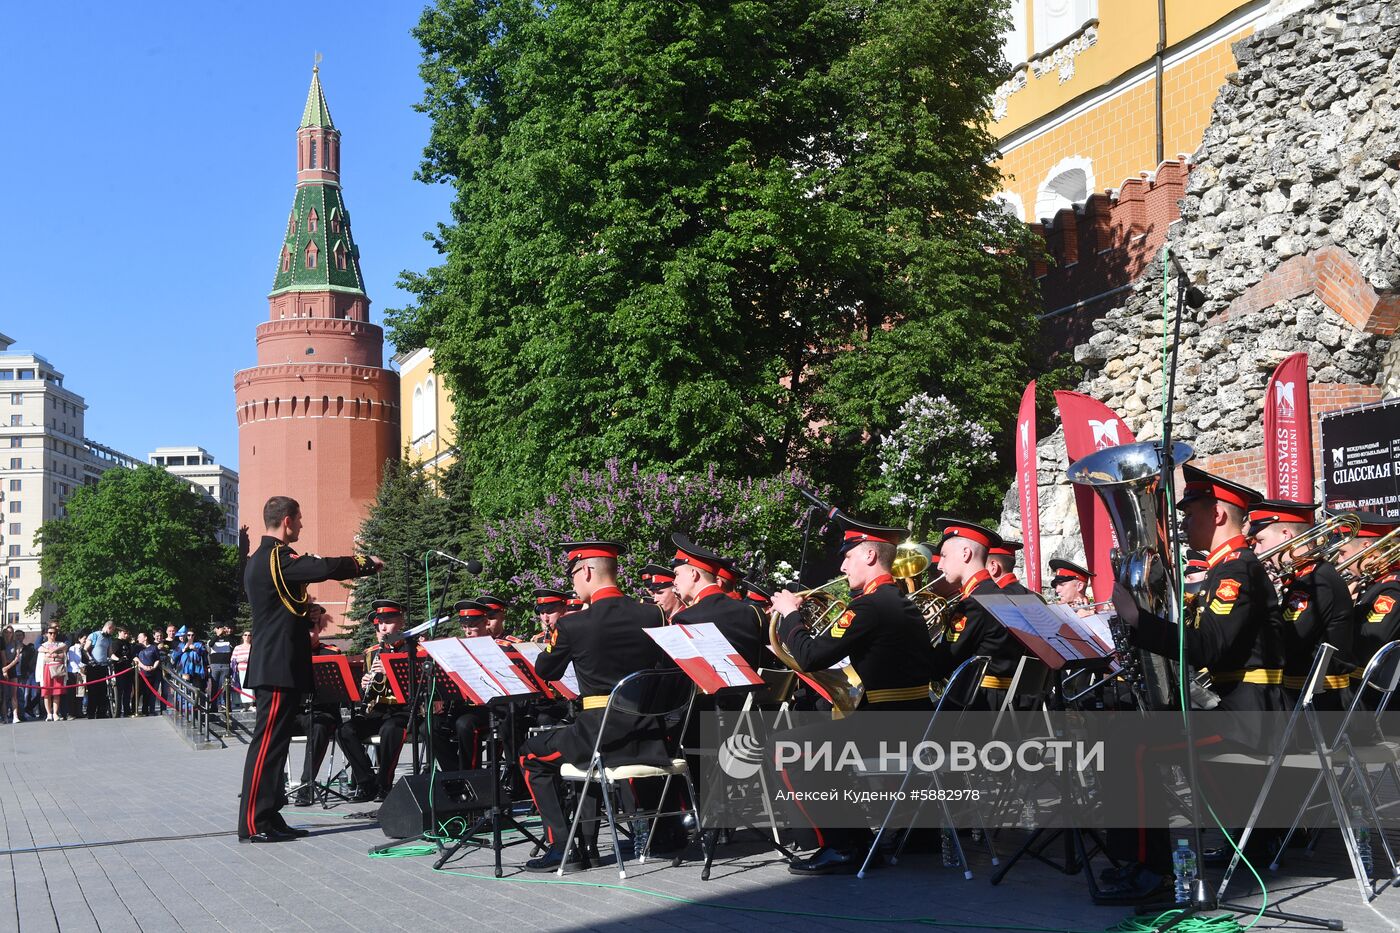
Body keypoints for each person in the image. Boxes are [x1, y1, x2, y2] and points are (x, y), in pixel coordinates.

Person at [1101, 466, 1287, 903]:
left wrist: (1137, 619)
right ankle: (1140, 860)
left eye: (1190, 514)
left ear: (1219, 516)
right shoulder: (1227, 570)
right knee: (1127, 733)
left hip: (1248, 716)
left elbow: (1207, 648)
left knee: (1133, 745)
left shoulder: (1237, 571)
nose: (1182, 525)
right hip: (1236, 707)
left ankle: (1150, 870)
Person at [768, 516, 939, 875]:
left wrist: (790, 616)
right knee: (818, 741)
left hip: (888, 727)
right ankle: (855, 840)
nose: (842, 566)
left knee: (790, 748)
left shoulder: (870, 607)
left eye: (848, 557)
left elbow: (811, 656)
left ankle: (844, 846)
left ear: (871, 558)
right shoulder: (901, 602)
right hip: (912, 721)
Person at [518, 540, 670, 872]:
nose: (572, 582)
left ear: (586, 570)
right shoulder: (653, 613)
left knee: (530, 755)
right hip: (650, 736)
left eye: (573, 574)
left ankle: (564, 847)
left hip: (601, 736)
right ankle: (586, 842)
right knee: (574, 749)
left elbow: (546, 671)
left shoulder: (573, 625)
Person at [237, 495, 381, 844]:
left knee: (277, 744)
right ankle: (254, 822)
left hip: (282, 666)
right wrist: (366, 562)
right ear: (286, 520)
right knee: (267, 744)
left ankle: (270, 815)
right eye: (299, 519)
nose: (301, 525)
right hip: (274, 667)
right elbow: (323, 567)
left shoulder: (268, 559)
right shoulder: (275, 559)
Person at [1248, 500, 1355, 711]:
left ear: (1285, 535)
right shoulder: (1306, 577)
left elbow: (1287, 640)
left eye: (1260, 540)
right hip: (1307, 698)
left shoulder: (1315, 580)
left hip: (1319, 705)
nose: (1257, 550)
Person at [930, 518, 1030, 709]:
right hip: (1007, 704)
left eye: (943, 556)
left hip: (976, 705)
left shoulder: (975, 602)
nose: (939, 565)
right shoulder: (998, 596)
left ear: (965, 553)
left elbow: (940, 666)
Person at [337, 600, 412, 803]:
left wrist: (392, 672)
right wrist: (365, 684)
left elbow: (416, 687)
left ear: (401, 621)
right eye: (380, 623)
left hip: (404, 710)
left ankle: (384, 785)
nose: (383, 627)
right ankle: (366, 782)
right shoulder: (372, 652)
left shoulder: (411, 649)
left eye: (388, 621)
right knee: (345, 731)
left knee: (390, 729)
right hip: (379, 710)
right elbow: (371, 694)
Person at [668, 534, 768, 670]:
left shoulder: (686, 618)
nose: (674, 581)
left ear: (693, 574)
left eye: (677, 574)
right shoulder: (752, 611)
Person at [293, 603, 345, 806]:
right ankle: (273, 785)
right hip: (297, 713)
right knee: (274, 728)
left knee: (319, 728)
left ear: (317, 631)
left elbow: (342, 690)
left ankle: (306, 786)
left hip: (322, 713)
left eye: (310, 631)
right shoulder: (290, 656)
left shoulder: (331, 654)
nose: (308, 635)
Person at [84, 621, 115, 719]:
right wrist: (90, 659)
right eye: (112, 630)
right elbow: (85, 649)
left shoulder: (109, 639)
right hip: (93, 667)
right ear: (109, 627)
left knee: (103, 690)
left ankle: (101, 712)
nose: (112, 633)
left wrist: (117, 659)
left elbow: (110, 653)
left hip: (103, 666)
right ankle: (91, 712)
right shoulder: (94, 635)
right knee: (93, 691)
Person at [38, 626, 67, 721]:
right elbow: (44, 657)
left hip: (58, 668)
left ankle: (55, 713)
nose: (52, 635)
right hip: (46, 669)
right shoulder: (43, 645)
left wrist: (54, 653)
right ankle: (49, 713)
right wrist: (54, 655)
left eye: (54, 633)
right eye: (50, 633)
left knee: (56, 692)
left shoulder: (60, 644)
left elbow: (63, 655)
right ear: (46, 634)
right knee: (47, 693)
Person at [207, 622, 236, 716]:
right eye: (218, 628)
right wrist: (217, 635)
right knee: (215, 687)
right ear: (215, 629)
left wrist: (227, 634)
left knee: (225, 687)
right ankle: (214, 706)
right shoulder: (212, 639)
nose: (220, 629)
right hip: (215, 666)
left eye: (221, 628)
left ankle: (227, 706)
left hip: (225, 665)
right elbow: (210, 644)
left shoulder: (228, 639)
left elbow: (233, 645)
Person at [135, 631, 163, 716]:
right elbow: (135, 658)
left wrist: (153, 667)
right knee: (141, 692)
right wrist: (143, 666)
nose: (138, 639)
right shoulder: (137, 648)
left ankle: (149, 709)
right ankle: (135, 709)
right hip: (141, 674)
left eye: (140, 637)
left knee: (150, 693)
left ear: (145, 638)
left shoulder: (153, 648)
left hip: (152, 673)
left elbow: (157, 659)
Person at [112, 628, 135, 718]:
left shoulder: (128, 643)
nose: (126, 635)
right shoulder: (115, 643)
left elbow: (131, 655)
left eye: (127, 633)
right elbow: (112, 654)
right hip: (119, 669)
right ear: (119, 633)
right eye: (124, 633)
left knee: (128, 690)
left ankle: (127, 710)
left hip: (128, 669)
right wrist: (118, 659)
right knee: (119, 691)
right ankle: (117, 710)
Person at [231, 629, 253, 706]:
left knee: (250, 689)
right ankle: (245, 706)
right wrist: (243, 659)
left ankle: (251, 704)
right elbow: (233, 659)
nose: (247, 637)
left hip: (251, 670)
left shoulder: (253, 647)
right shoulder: (238, 647)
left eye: (249, 635)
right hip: (240, 670)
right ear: (242, 637)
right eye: (245, 635)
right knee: (242, 688)